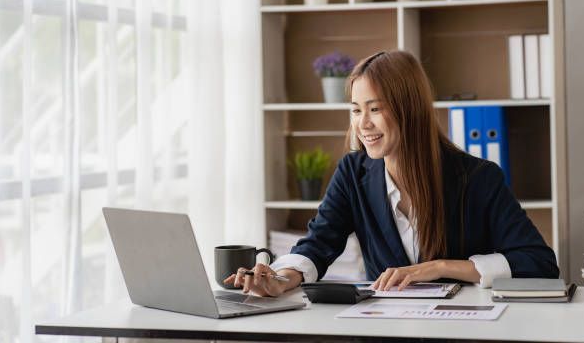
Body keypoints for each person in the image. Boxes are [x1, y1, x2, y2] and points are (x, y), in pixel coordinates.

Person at [224, 50, 559, 297]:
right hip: (388, 330)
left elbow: (539, 262)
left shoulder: (478, 177)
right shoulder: (353, 173)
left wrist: (441, 266)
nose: (363, 124)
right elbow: (317, 244)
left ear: (408, 110)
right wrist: (281, 278)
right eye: (356, 110)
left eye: (375, 109)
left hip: (468, 330)